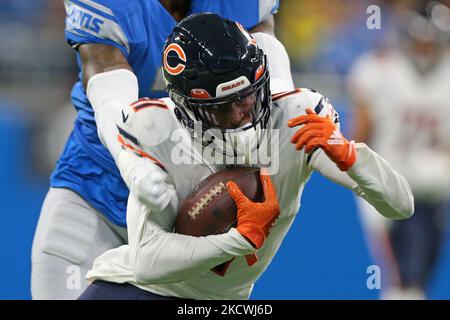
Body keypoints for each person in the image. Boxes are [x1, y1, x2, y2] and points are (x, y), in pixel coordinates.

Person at [77, 13, 414, 300]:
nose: (242, 112)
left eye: (249, 96)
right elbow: (146, 263)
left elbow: (400, 205)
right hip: (132, 291)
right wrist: (239, 239)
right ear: (187, 107)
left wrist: (354, 157)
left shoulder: (296, 119)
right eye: (224, 106)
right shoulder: (156, 130)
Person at [31, 0, 294, 300]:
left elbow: (271, 77)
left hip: (192, 210)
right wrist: (135, 164)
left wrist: (295, 113)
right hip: (100, 197)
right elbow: (109, 96)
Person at [348, 5, 450, 299]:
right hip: (394, 186)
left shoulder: (380, 70)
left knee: (413, 282)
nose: (426, 50)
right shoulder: (380, 71)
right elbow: (360, 139)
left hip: (436, 189)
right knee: (403, 282)